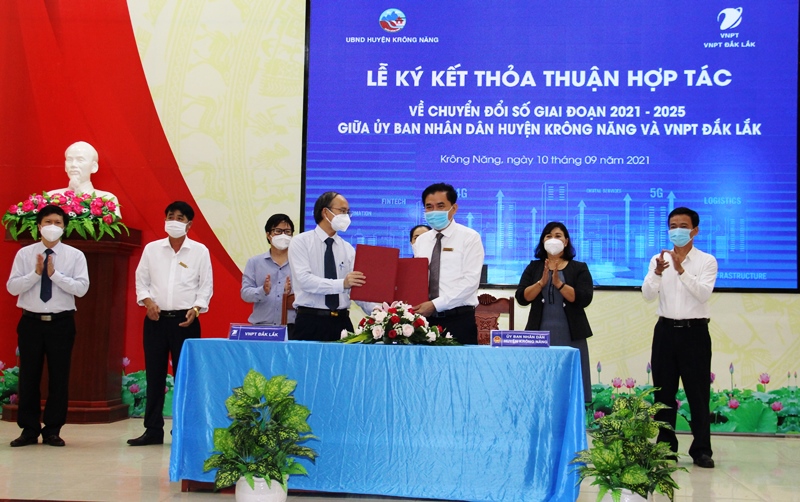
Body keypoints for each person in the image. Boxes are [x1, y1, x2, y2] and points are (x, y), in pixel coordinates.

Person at [128, 201, 213, 446]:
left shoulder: (199, 251)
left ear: (189, 223)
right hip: (155, 319)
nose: (175, 221)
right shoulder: (152, 249)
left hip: (186, 321)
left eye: (180, 217)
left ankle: (183, 430)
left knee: (185, 377)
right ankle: (153, 430)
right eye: (171, 216)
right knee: (155, 377)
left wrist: (196, 309)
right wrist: (147, 302)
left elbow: (205, 286)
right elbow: (141, 280)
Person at [6, 205, 90, 447]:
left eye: (58, 222)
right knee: (29, 377)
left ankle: (53, 429)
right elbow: (12, 287)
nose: (53, 227)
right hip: (31, 322)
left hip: (61, 323)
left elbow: (82, 289)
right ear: (39, 226)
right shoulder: (25, 254)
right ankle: (28, 430)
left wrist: (55, 276)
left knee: (59, 377)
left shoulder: (75, 256)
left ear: (64, 227)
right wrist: (36, 274)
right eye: (48, 222)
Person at [642, 207, 718, 469]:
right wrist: (659, 272)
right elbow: (648, 294)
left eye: (683, 226)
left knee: (698, 393)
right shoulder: (658, 259)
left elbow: (703, 294)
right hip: (664, 331)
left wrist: (681, 271)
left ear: (694, 230)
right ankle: (665, 447)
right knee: (663, 393)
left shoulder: (706, 261)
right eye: (672, 225)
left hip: (694, 333)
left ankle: (701, 450)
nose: (677, 230)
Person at [514, 222, 594, 403]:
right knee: (540, 385)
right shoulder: (534, 267)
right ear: (543, 241)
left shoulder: (579, 268)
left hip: (571, 335)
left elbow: (584, 298)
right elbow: (522, 297)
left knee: (570, 386)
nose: (553, 240)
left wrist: (559, 284)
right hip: (539, 335)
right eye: (548, 236)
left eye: (558, 236)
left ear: (566, 242)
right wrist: (541, 283)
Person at [288, 192, 367, 341]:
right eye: (342, 211)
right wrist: (342, 283)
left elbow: (356, 287)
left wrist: (381, 311)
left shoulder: (348, 248)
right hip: (310, 321)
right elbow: (305, 280)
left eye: (348, 212)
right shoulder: (300, 242)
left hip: (342, 323)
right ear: (325, 212)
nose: (346, 216)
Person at [412, 183, 484, 345]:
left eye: (440, 206)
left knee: (460, 369)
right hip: (424, 322)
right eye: (429, 207)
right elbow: (418, 280)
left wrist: (435, 305)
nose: (434, 211)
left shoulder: (470, 237)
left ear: (454, 208)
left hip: (458, 320)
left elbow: (470, 283)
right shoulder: (422, 241)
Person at [241, 214, 295, 331]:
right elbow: (245, 293)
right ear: (268, 235)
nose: (283, 235)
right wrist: (263, 291)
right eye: (278, 231)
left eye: (287, 232)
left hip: (292, 328)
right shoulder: (254, 262)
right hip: (261, 327)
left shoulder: (299, 264)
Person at [48, 141, 121, 216]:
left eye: (80, 160)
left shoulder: (107, 199)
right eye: (69, 160)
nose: (73, 165)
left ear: (93, 167)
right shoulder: (50, 197)